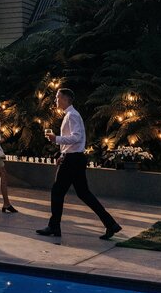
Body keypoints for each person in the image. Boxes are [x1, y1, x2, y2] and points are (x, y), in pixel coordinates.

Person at [37, 88, 122, 239]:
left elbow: (76, 137)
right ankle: (111, 224)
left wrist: (56, 139)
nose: (55, 100)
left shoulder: (72, 115)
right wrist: (62, 153)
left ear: (65, 99)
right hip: (73, 158)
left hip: (72, 160)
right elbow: (75, 141)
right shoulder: (71, 115)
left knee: (57, 191)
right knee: (83, 193)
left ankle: (54, 226)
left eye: (58, 97)